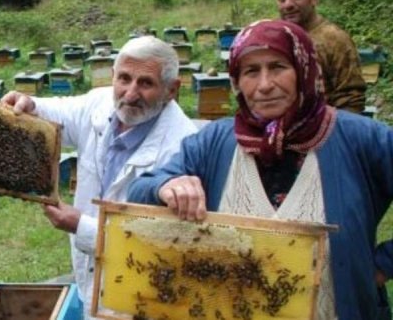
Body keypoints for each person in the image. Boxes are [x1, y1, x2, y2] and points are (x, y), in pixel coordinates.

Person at [128, 20, 393, 320]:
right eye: (251, 71)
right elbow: (139, 191)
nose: (265, 85)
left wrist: (383, 263)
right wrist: (166, 185)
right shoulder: (214, 141)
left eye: (278, 67)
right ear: (237, 81)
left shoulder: (361, 138)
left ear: (304, 70)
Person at [0, 36, 197, 317]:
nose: (130, 94)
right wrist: (29, 103)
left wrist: (81, 226)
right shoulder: (99, 103)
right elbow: (56, 111)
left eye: (146, 83)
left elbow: (166, 245)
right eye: (124, 79)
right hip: (89, 274)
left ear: (172, 90)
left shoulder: (184, 146)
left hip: (142, 292)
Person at [275, 0, 366, 112]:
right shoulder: (276, 36)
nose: (288, 4)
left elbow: (351, 98)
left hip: (325, 128)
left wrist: (338, 131)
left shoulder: (335, 39)